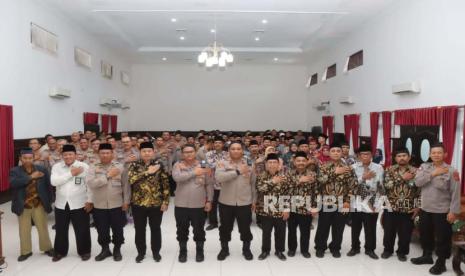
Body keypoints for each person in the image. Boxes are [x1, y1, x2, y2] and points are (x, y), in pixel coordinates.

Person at [411, 143, 461, 275]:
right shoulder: (424, 167)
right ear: (430, 154)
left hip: (442, 211)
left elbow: (455, 193)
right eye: (433, 153)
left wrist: (453, 212)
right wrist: (433, 174)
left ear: (445, 154)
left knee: (443, 237)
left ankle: (441, 262)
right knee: (425, 234)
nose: (436, 155)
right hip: (425, 209)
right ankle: (427, 256)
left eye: (439, 152)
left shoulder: (452, 171)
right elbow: (417, 182)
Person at [127, 142, 170, 263]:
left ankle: (156, 252)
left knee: (155, 228)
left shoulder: (159, 165)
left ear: (153, 152)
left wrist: (166, 202)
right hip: (138, 204)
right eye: (144, 151)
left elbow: (165, 184)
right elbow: (131, 179)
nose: (147, 153)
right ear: (140, 153)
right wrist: (148, 172)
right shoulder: (134, 165)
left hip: (156, 203)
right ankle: (141, 252)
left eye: (149, 151)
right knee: (140, 229)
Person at [86, 143, 130, 262]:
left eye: (107, 153)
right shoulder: (93, 167)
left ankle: (117, 249)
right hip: (99, 205)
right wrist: (107, 176)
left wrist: (126, 201)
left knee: (118, 229)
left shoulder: (120, 167)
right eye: (102, 153)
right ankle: (105, 249)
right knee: (101, 229)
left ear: (112, 153)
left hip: (117, 204)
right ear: (98, 154)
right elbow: (91, 183)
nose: (105, 155)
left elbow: (126, 185)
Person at [9, 147, 54, 262]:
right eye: (25, 158)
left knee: (42, 228)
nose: (28, 160)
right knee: (24, 230)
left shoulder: (42, 169)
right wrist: (31, 177)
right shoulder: (15, 171)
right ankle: (26, 251)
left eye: (30, 158)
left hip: (39, 204)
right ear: (21, 158)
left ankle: (47, 248)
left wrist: (50, 200)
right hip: (23, 205)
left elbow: (48, 186)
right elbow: (13, 183)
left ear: (34, 158)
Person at [314, 142, 358, 258]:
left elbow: (353, 186)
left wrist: (348, 202)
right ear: (329, 153)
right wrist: (334, 172)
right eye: (333, 151)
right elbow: (319, 182)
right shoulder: (323, 167)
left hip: (342, 202)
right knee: (323, 226)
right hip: (325, 202)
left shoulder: (348, 169)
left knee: (339, 227)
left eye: (338, 151)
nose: (336, 153)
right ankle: (320, 247)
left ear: (342, 152)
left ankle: (335, 247)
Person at [50, 144, 92, 262]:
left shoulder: (84, 166)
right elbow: (54, 182)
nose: (68, 156)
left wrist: (89, 201)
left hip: (80, 203)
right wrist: (71, 173)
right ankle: (60, 252)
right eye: (65, 154)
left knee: (82, 229)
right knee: (61, 230)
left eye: (70, 154)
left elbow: (89, 185)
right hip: (61, 204)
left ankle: (84, 251)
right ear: (62, 155)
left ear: (75, 155)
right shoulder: (57, 167)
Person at [172, 144, 213, 263]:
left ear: (195, 152)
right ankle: (183, 251)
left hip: (199, 204)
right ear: (182, 154)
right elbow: (177, 178)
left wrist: (209, 200)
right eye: (185, 152)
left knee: (199, 229)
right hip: (181, 204)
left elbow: (209, 184)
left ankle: (200, 251)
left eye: (191, 151)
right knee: (181, 229)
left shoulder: (204, 163)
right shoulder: (177, 165)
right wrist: (194, 172)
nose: (188, 154)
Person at [215, 141, 256, 261]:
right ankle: (224, 249)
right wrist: (237, 172)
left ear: (242, 151)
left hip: (245, 202)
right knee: (225, 228)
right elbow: (219, 177)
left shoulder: (249, 163)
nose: (236, 151)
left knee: (245, 228)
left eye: (239, 149)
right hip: (226, 202)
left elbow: (253, 183)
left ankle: (246, 249)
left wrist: (254, 200)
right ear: (229, 151)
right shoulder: (222, 163)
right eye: (233, 149)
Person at [382, 147, 420, 262]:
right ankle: (387, 250)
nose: (402, 158)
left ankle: (402, 252)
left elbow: (420, 191)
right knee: (389, 231)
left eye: (404, 155)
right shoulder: (389, 170)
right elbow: (386, 186)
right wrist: (402, 178)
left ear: (408, 157)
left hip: (408, 207)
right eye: (399, 156)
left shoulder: (416, 171)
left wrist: (418, 206)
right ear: (395, 158)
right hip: (390, 206)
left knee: (405, 232)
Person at [347, 144, 384, 259]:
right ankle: (355, 248)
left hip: (372, 202)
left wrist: (378, 205)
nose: (365, 156)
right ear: (358, 156)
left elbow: (381, 187)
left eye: (367, 154)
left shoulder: (378, 168)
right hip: (357, 202)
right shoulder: (353, 167)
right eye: (362, 154)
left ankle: (370, 249)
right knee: (355, 227)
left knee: (371, 227)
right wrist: (363, 177)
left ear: (371, 155)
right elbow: (350, 185)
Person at [256, 153, 290, 261]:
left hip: (280, 209)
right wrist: (273, 182)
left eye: (274, 162)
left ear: (278, 164)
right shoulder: (261, 176)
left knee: (280, 232)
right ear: (266, 164)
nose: (272, 164)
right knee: (266, 232)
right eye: (269, 162)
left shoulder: (284, 177)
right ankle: (265, 251)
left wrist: (286, 209)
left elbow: (287, 194)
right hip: (265, 210)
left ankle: (279, 251)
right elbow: (260, 189)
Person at [287, 151, 318, 258]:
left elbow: (316, 192)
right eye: (298, 161)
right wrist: (299, 181)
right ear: (294, 162)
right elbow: (284, 190)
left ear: (307, 162)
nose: (301, 163)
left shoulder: (313, 175)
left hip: (306, 209)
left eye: (303, 161)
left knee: (305, 231)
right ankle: (292, 249)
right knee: (291, 231)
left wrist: (315, 207)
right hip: (291, 208)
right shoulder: (288, 174)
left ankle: (305, 250)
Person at [205, 136, 229, 231]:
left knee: (225, 205)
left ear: (223, 144)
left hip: (224, 184)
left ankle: (225, 222)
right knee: (212, 203)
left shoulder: (227, 154)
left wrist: (217, 164)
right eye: (216, 143)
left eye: (219, 143)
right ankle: (213, 223)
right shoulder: (208, 154)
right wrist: (221, 164)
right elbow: (207, 164)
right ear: (213, 144)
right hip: (212, 183)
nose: (217, 144)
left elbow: (228, 165)